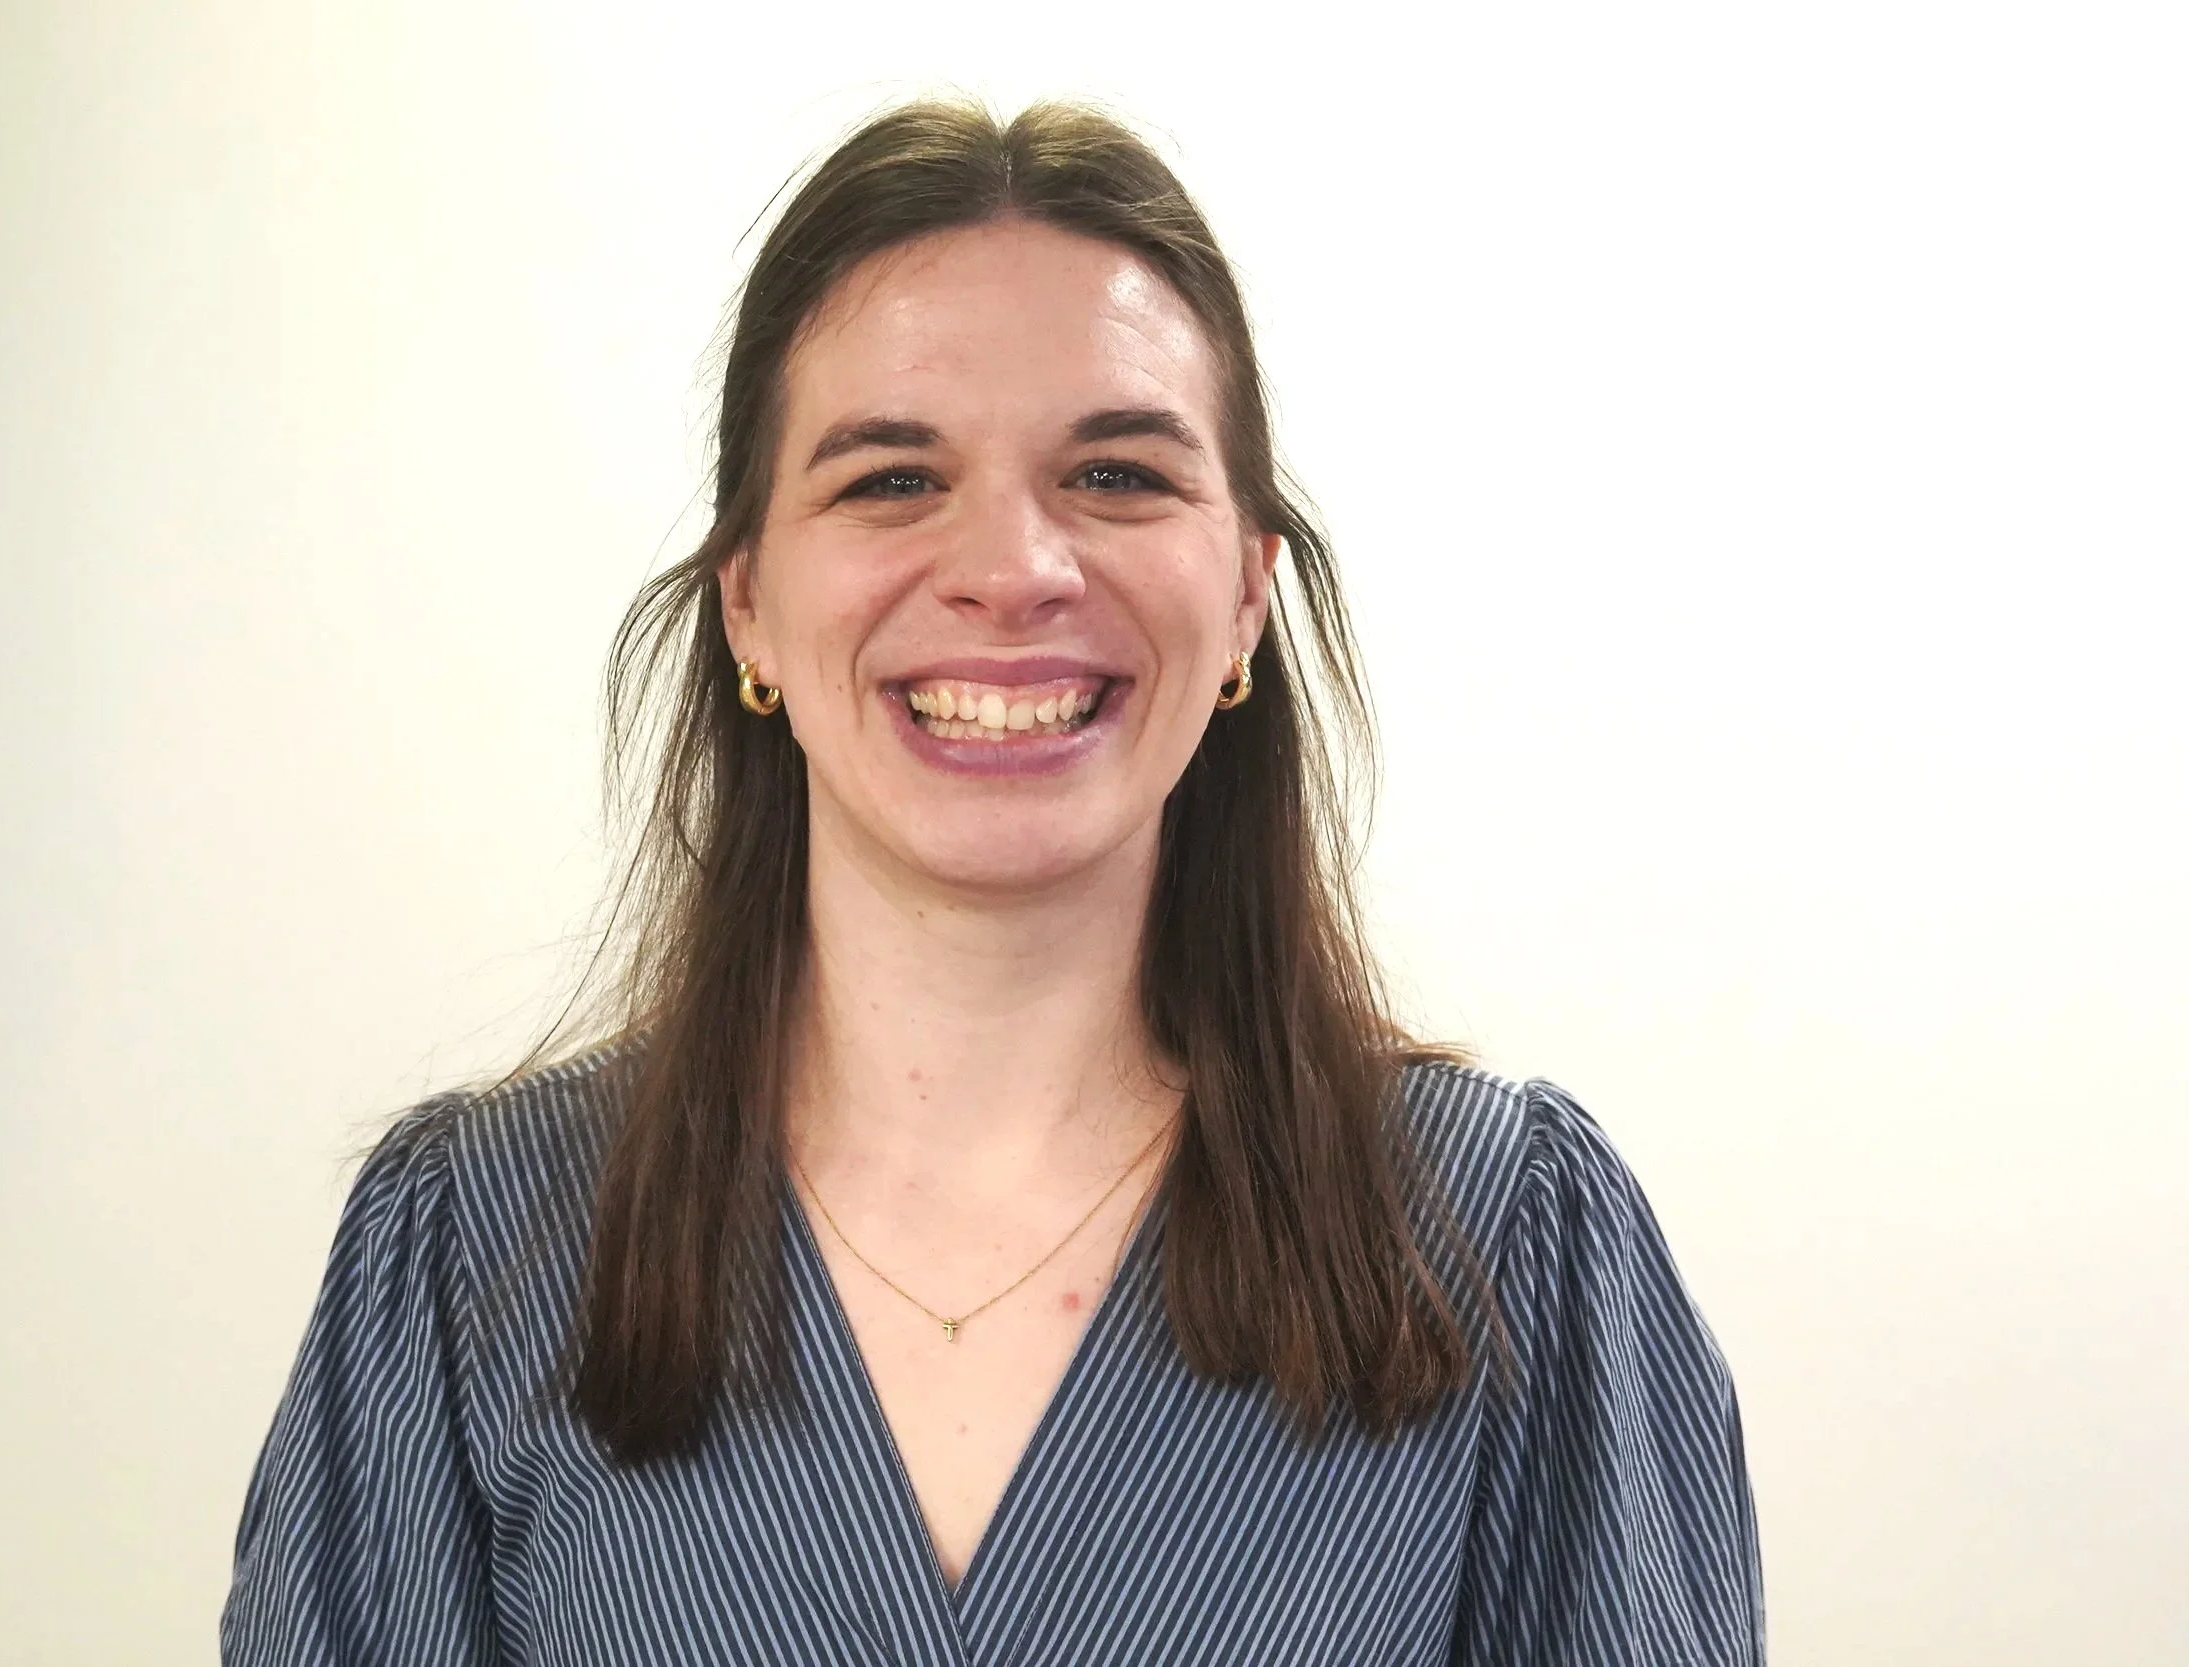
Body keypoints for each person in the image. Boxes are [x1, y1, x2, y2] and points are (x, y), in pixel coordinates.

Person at [221, 99, 1764, 1665]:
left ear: (1246, 593)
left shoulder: (1513, 1243)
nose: (1016, 570)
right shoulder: (466, 1259)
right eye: (892, 479)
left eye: (1118, 474)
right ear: (748, 604)